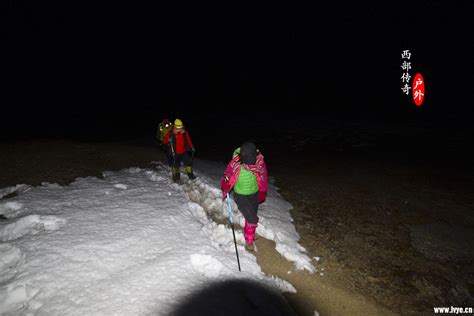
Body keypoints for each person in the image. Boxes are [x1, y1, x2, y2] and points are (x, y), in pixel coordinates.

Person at [221, 141, 268, 251]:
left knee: (251, 215)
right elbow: (226, 176)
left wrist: (262, 190)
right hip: (241, 195)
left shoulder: (259, 161)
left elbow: (263, 176)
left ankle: (249, 231)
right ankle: (249, 240)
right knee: (252, 218)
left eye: (252, 162)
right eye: (248, 162)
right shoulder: (235, 164)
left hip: (254, 193)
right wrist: (225, 185)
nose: (251, 165)